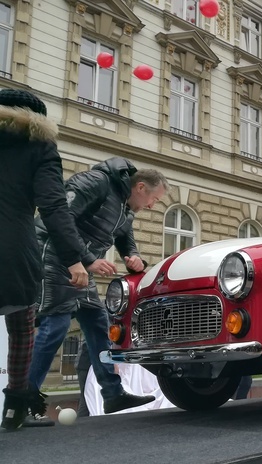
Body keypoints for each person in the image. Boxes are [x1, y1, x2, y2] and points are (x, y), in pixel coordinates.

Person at [26, 159, 169, 424]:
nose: (152, 206)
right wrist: (87, 258)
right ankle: (24, 401)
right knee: (55, 326)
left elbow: (125, 236)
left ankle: (112, 394)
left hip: (80, 265)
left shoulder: (125, 207)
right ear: (140, 187)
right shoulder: (97, 183)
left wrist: (133, 255)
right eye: (154, 200)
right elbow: (59, 217)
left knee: (97, 323)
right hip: (54, 256)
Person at [0, 88, 89, 431]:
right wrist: (74, 258)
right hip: (12, 249)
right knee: (22, 329)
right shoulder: (39, 146)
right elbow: (53, 205)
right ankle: (14, 410)